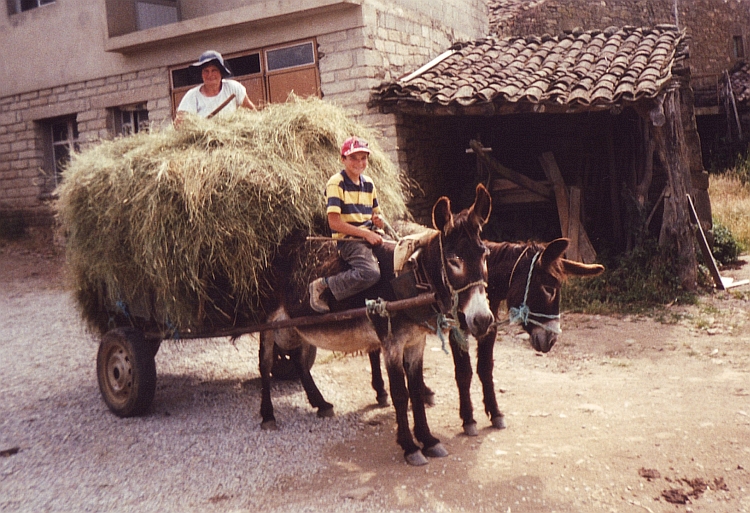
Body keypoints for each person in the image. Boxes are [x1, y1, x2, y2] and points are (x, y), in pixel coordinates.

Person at [309, 136, 385, 313]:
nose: (359, 163)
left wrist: (378, 220)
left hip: (371, 234)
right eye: (353, 158)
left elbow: (377, 212)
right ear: (343, 159)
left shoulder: (369, 183)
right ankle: (323, 285)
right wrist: (365, 234)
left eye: (363, 158)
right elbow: (334, 223)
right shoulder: (336, 183)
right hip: (350, 241)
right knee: (370, 273)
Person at [175, 50, 256, 123]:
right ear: (201, 74)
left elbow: (252, 111)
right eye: (206, 71)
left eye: (214, 70)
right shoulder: (192, 96)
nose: (210, 75)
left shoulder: (233, 88)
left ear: (221, 73)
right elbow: (178, 124)